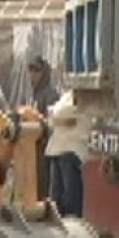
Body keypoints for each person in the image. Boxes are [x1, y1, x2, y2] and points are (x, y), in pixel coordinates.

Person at [45, 89, 91, 218]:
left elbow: (66, 114)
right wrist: (55, 117)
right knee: (55, 196)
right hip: (57, 149)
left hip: (72, 149)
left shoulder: (86, 96)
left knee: (70, 197)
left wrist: (55, 117)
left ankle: (73, 224)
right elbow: (53, 114)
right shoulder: (66, 95)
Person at [27, 56, 60, 199]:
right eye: (31, 70)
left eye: (36, 71)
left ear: (44, 73)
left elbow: (52, 123)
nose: (33, 75)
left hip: (46, 148)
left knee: (44, 183)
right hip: (35, 148)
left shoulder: (50, 94)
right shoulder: (34, 95)